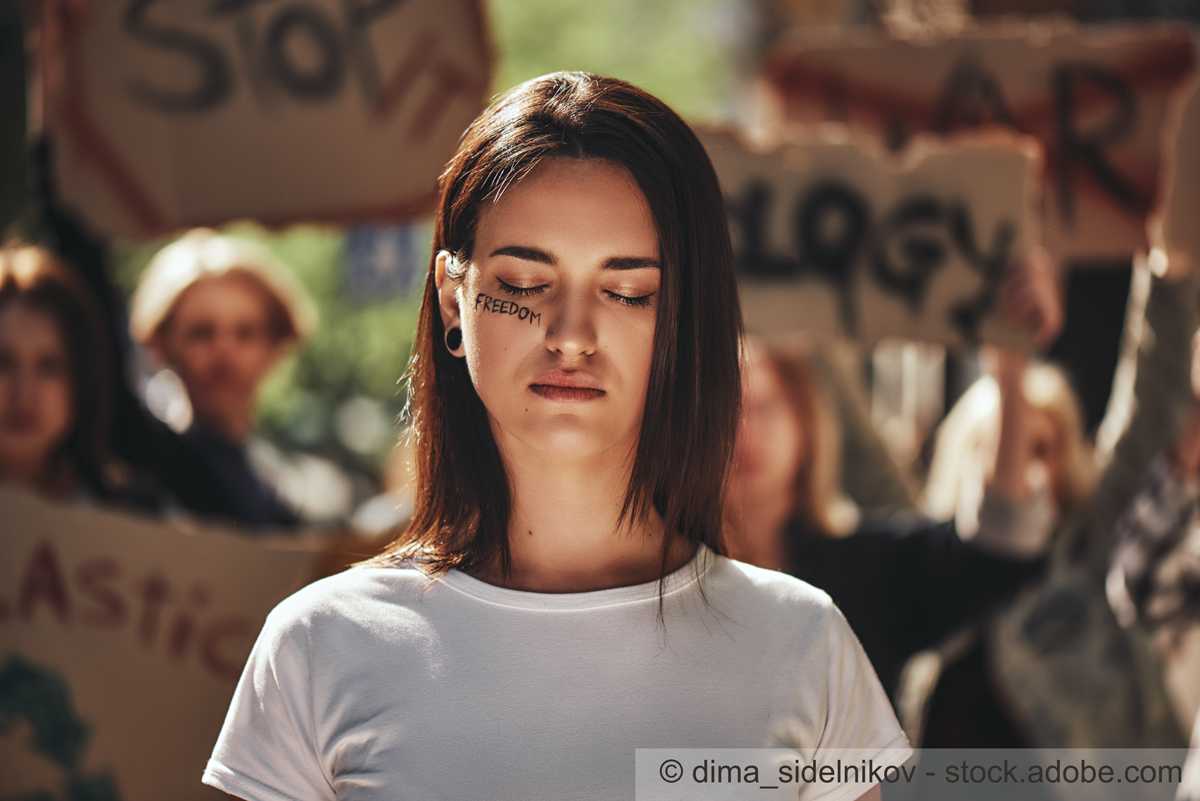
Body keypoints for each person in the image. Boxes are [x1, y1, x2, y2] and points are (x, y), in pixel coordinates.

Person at [203, 72, 909, 801]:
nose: (572, 335)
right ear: (453, 296)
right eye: (524, 282)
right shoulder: (317, 645)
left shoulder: (802, 643)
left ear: (685, 319)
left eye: (628, 290)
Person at [129, 229, 316, 528]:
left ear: (274, 348)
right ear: (162, 344)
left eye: (245, 333)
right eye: (202, 332)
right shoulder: (143, 472)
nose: (224, 354)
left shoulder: (287, 484)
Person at [0, 242, 149, 505]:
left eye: (49, 366)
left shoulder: (131, 515)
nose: (23, 393)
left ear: (84, 377)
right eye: (3, 363)